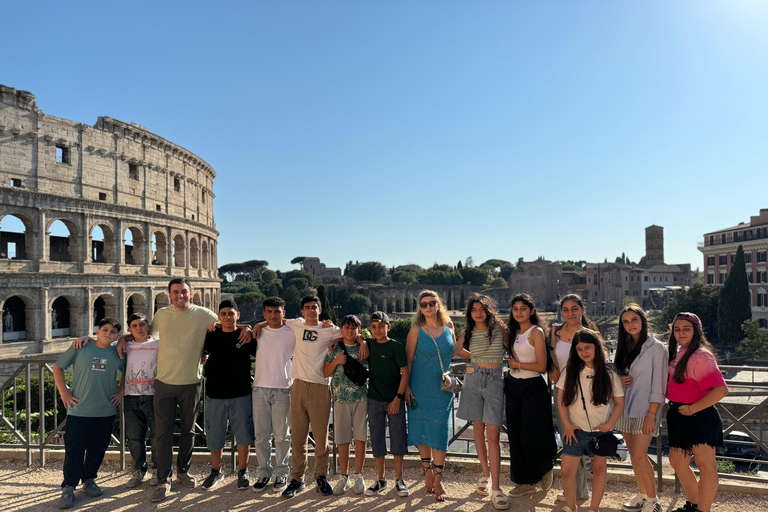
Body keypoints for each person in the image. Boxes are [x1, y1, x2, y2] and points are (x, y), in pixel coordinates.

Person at [73, 278, 252, 502]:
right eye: (175, 292)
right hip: (164, 383)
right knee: (162, 433)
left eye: (184, 291)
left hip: (191, 381)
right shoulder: (161, 315)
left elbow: (229, 323)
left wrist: (250, 327)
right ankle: (164, 478)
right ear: (169, 295)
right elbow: (143, 333)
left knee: (188, 431)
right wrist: (123, 337)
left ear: (192, 292)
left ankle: (183, 471)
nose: (180, 295)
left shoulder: (205, 314)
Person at [53, 318, 126, 509]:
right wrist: (64, 392)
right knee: (74, 450)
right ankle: (68, 486)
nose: (108, 333)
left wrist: (121, 390)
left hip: (105, 410)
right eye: (105, 329)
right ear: (97, 331)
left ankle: (89, 480)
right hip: (79, 409)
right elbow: (57, 367)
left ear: (116, 336)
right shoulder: (80, 347)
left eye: (112, 332)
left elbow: (126, 372)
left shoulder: (117, 352)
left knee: (98, 449)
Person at [666, 313, 729, 512]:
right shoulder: (677, 352)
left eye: (686, 328)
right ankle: (694, 504)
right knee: (677, 461)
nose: (681, 333)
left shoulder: (701, 356)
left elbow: (721, 390)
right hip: (678, 415)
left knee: (705, 466)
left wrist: (692, 409)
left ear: (696, 331)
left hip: (700, 415)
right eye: (677, 329)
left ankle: (703, 509)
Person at [557, 329, 624, 512]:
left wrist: (610, 424)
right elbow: (561, 400)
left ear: (597, 347)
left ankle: (594, 508)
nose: (584, 352)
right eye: (579, 349)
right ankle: (571, 507)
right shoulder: (570, 372)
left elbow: (619, 402)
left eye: (588, 347)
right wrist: (567, 424)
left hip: (600, 431)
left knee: (599, 469)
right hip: (575, 431)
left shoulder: (610, 375)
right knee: (566, 471)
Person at [455, 294, 509, 510]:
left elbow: (513, 348)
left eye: (481, 308)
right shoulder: (467, 331)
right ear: (470, 313)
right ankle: (485, 473)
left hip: (495, 380)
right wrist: (474, 358)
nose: (478, 312)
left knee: (493, 434)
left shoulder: (500, 328)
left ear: (488, 310)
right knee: (478, 429)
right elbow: (457, 351)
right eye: (474, 309)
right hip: (473, 377)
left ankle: (496, 488)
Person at [406, 290, 460, 502]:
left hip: (441, 388)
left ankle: (438, 479)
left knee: (439, 432)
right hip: (419, 386)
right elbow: (409, 360)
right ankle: (428, 472)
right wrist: (407, 387)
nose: (428, 307)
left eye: (432, 303)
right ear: (420, 308)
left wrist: (472, 344)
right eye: (424, 304)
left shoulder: (449, 327)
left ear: (439, 305)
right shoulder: (415, 330)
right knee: (422, 430)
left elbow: (452, 352)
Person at [614, 304, 668, 512]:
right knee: (635, 456)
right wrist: (619, 378)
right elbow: (618, 374)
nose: (630, 325)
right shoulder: (625, 345)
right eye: (625, 322)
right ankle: (643, 495)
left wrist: (651, 414)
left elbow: (659, 385)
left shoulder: (656, 348)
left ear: (643, 321)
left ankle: (654, 502)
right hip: (625, 407)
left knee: (639, 456)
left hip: (646, 409)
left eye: (634, 320)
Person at [200, 300, 257, 491]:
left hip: (241, 393)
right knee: (215, 435)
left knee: (244, 435)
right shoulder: (211, 335)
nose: (227, 317)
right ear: (218, 316)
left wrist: (247, 328)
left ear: (237, 315)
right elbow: (202, 352)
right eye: (223, 314)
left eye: (231, 313)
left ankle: (243, 471)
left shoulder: (246, 337)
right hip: (215, 393)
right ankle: (216, 471)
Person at [505, 293, 556, 500]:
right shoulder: (514, 332)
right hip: (513, 385)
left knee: (531, 434)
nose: (518, 312)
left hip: (533, 385)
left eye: (523, 308)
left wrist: (516, 364)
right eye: (515, 308)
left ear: (532, 311)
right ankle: (524, 482)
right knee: (515, 435)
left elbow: (542, 366)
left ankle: (544, 468)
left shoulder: (536, 332)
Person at [548, 293, 598, 503]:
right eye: (565, 309)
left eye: (574, 309)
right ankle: (578, 490)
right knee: (569, 437)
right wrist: (551, 368)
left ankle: (585, 489)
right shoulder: (554, 333)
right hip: (562, 391)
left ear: (582, 310)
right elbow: (549, 358)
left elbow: (599, 359)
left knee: (588, 438)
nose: (570, 313)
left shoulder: (591, 332)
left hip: (587, 391)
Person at [251, 296, 294, 493]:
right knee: (261, 436)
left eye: (277, 311)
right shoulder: (257, 332)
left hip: (284, 388)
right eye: (269, 312)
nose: (273, 315)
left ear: (283, 313)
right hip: (259, 388)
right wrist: (258, 325)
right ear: (264, 313)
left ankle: (282, 473)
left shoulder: (293, 331)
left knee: (282, 436)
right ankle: (264, 472)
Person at [365, 311, 410, 498]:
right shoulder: (368, 344)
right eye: (374, 327)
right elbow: (348, 335)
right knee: (376, 438)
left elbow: (405, 374)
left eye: (381, 326)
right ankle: (381, 479)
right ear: (370, 329)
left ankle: (399, 478)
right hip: (374, 398)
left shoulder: (396, 347)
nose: (377, 330)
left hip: (394, 399)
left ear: (388, 327)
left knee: (398, 437)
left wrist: (398, 398)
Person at [323, 315, 368, 495]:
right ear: (341, 330)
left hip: (361, 398)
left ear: (358, 330)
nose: (349, 331)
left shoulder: (364, 348)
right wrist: (335, 362)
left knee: (360, 438)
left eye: (353, 328)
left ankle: (359, 476)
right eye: (346, 328)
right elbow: (325, 372)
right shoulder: (334, 349)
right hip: (340, 399)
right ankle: (344, 476)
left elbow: (366, 341)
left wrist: (363, 342)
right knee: (342, 439)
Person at [123, 313, 160, 488]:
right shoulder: (124, 346)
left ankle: (157, 470)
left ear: (148, 327)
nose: (139, 328)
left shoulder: (158, 343)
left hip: (154, 396)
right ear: (130, 329)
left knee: (157, 436)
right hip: (131, 397)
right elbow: (103, 342)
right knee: (134, 438)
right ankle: (138, 471)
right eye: (134, 326)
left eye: (142, 324)